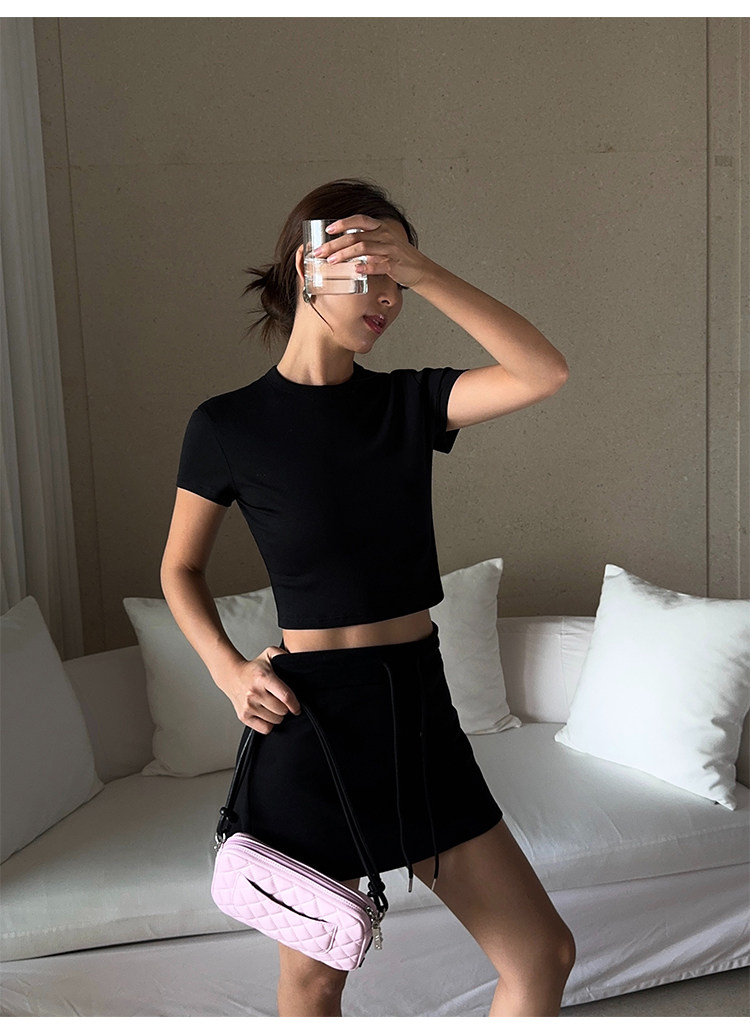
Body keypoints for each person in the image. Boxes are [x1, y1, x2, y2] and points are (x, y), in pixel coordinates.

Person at [160, 178, 575, 1017]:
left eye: (397, 277)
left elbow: (544, 371)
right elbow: (179, 569)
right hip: (310, 724)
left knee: (542, 953)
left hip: (416, 710)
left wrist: (425, 270)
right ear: (308, 266)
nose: (387, 296)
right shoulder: (227, 425)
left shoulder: (407, 402)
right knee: (316, 981)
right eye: (369, 271)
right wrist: (228, 670)